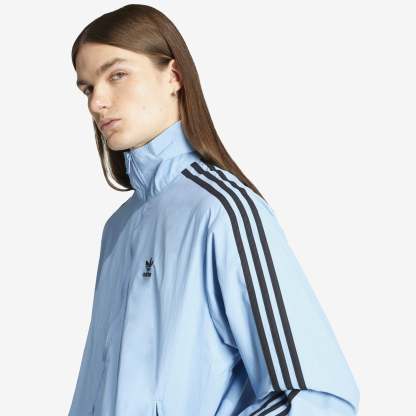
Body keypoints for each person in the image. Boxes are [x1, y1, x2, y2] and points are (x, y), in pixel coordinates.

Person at [68, 4, 360, 416]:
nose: (97, 102)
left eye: (117, 75)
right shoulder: (119, 227)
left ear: (173, 76)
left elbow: (314, 397)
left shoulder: (223, 210)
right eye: (87, 88)